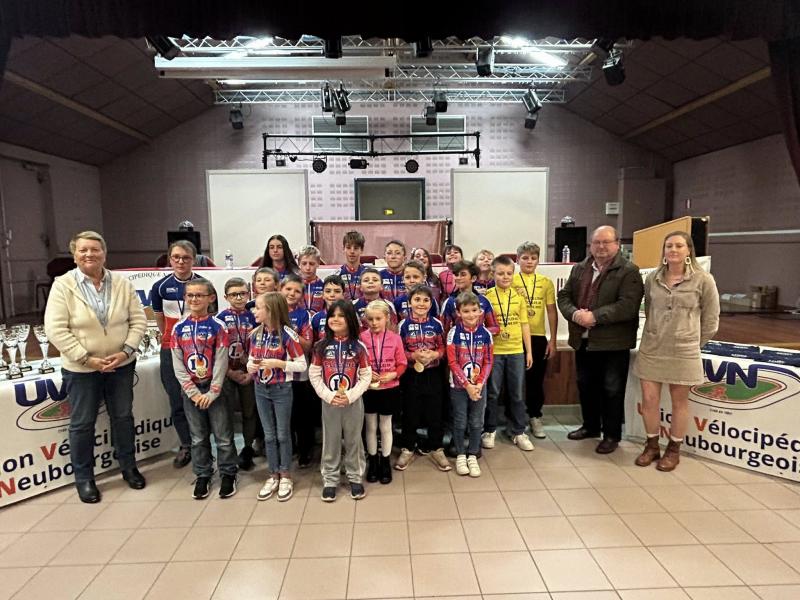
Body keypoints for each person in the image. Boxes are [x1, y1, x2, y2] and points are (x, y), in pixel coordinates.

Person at [45, 231, 147, 503]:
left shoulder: (122, 283)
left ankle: (128, 467)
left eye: (95, 249)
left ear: (104, 253)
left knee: (123, 417)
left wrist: (126, 352)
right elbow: (55, 329)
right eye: (83, 250)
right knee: (82, 424)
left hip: (121, 365)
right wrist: (85, 358)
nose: (89, 254)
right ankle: (84, 479)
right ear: (74, 255)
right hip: (81, 370)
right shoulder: (63, 285)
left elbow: (138, 320)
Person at [634, 231, 719, 471]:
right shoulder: (652, 278)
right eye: (669, 245)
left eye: (679, 246)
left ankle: (673, 450)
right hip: (652, 348)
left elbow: (711, 321)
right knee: (649, 400)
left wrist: (691, 342)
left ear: (689, 250)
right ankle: (652, 446)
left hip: (684, 350)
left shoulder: (704, 280)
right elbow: (650, 311)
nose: (673, 250)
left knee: (679, 402)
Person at [557, 225, 644, 454]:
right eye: (597, 242)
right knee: (586, 385)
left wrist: (594, 317)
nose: (601, 246)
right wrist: (575, 314)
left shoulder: (629, 271)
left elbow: (627, 306)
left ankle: (612, 435)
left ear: (617, 244)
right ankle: (591, 426)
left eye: (606, 242)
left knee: (612, 389)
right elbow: (564, 296)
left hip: (613, 342)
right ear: (590, 245)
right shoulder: (580, 268)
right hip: (583, 340)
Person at [171, 278, 237, 499]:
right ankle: (203, 473)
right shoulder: (178, 328)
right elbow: (177, 364)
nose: (194, 299)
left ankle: (228, 472)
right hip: (191, 390)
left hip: (215, 387)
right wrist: (192, 392)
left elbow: (221, 360)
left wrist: (213, 391)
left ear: (211, 298)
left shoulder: (218, 326)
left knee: (223, 436)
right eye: (190, 295)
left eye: (199, 295)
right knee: (198, 437)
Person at [309, 300, 372, 502]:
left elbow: (366, 376)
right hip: (329, 402)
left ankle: (355, 476)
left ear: (350, 319)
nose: (335, 319)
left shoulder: (359, 347)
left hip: (353, 401)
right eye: (332, 315)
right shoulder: (320, 347)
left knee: (354, 439)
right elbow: (314, 374)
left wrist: (351, 395)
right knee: (331, 440)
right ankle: (330, 479)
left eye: (341, 316)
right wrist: (328, 395)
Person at [248, 292, 307, 501]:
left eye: (258, 307)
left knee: (282, 434)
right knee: (269, 435)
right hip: (260, 388)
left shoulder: (288, 335)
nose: (254, 311)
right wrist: (251, 366)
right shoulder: (255, 334)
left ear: (271, 310)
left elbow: (302, 365)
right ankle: (272, 474)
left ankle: (285, 475)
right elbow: (251, 359)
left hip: (281, 388)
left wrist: (280, 364)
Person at [151, 239, 202, 468]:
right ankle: (186, 445)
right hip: (170, 348)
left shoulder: (203, 285)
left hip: (198, 349)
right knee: (176, 398)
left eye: (186, 258)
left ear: (194, 260)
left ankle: (203, 444)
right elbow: (159, 318)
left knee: (200, 397)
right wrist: (170, 338)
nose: (181, 262)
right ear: (170, 259)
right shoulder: (160, 287)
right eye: (176, 257)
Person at [483, 255, 535, 452]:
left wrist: (528, 351)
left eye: (509, 273)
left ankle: (518, 431)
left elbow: (524, 324)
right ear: (492, 274)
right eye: (500, 273)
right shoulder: (487, 297)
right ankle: (490, 430)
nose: (505, 277)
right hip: (494, 352)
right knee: (493, 393)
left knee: (517, 393)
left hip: (516, 351)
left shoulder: (519, 297)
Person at [396, 286, 451, 472]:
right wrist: (413, 356)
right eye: (417, 299)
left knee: (435, 411)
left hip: (433, 373)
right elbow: (399, 351)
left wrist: (434, 354)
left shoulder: (437, 324)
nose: (421, 304)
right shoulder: (403, 325)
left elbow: (443, 348)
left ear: (431, 303)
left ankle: (437, 448)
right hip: (411, 374)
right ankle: (408, 448)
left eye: (426, 300)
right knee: (410, 411)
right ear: (410, 302)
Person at [513, 242, 558, 439]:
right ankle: (514, 419)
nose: (529, 261)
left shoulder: (545, 282)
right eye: (525, 258)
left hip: (538, 337)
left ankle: (535, 416)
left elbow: (551, 311)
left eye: (533, 258)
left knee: (535, 380)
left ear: (538, 260)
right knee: (514, 381)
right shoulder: (511, 280)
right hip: (515, 337)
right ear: (517, 260)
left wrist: (553, 340)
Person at [447, 291, 494, 478]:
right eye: (466, 311)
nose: (471, 314)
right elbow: (452, 362)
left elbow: (488, 361)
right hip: (459, 387)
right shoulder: (453, 333)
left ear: (480, 311)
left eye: (474, 310)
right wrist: (467, 385)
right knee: (460, 420)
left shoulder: (486, 334)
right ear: (458, 313)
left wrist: (480, 383)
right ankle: (460, 454)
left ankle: (473, 454)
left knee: (476, 421)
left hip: (479, 387)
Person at [360, 300, 407, 484]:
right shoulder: (361, 338)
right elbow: (357, 363)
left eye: (378, 318)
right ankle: (373, 461)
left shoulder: (395, 338)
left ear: (387, 318)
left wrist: (394, 374)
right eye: (370, 319)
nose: (374, 323)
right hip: (368, 389)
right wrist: (366, 374)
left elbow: (402, 363)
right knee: (370, 426)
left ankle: (385, 461)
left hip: (390, 388)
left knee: (386, 426)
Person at [216, 277, 259, 470]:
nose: (239, 298)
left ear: (248, 294)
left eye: (242, 293)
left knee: (249, 411)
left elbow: (261, 345)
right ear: (226, 297)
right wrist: (229, 372)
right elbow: (216, 351)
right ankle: (228, 451)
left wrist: (250, 370)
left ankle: (248, 448)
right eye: (234, 294)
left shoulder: (254, 317)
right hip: (226, 372)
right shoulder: (220, 319)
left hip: (248, 371)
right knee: (225, 413)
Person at [281, 273, 317, 468]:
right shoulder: (270, 311)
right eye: (288, 289)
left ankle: (305, 450)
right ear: (280, 289)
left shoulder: (304, 315)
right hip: (277, 374)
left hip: (299, 374)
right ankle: (289, 448)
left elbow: (307, 345)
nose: (292, 293)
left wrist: (287, 329)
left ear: (302, 295)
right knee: (285, 416)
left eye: (297, 291)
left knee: (302, 415)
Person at [440, 260, 499, 335]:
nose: (458, 278)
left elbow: (495, 328)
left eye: (463, 274)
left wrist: (478, 333)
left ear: (473, 278)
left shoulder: (484, 301)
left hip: (480, 342)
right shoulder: (450, 302)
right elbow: (443, 332)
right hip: (458, 342)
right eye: (456, 275)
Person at [311, 275, 346, 342]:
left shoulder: (351, 315)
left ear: (343, 295)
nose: (332, 295)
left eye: (337, 291)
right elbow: (314, 343)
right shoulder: (316, 318)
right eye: (328, 291)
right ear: (323, 295)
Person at [298, 245, 325, 314]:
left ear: (318, 263)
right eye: (304, 263)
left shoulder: (324, 285)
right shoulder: (293, 286)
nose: (308, 268)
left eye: (311, 264)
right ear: (299, 263)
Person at [340, 230, 367, 300]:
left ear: (362, 250)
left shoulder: (368, 274)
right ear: (343, 249)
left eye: (356, 248)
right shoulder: (337, 274)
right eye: (348, 247)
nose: (352, 251)